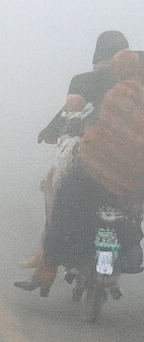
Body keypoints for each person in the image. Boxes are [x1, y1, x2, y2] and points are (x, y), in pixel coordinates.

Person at [20, 42, 144, 295]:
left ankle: (47, 267)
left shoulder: (118, 91)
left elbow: (109, 129)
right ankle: (130, 249)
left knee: (64, 200)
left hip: (102, 167)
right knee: (135, 213)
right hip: (136, 175)